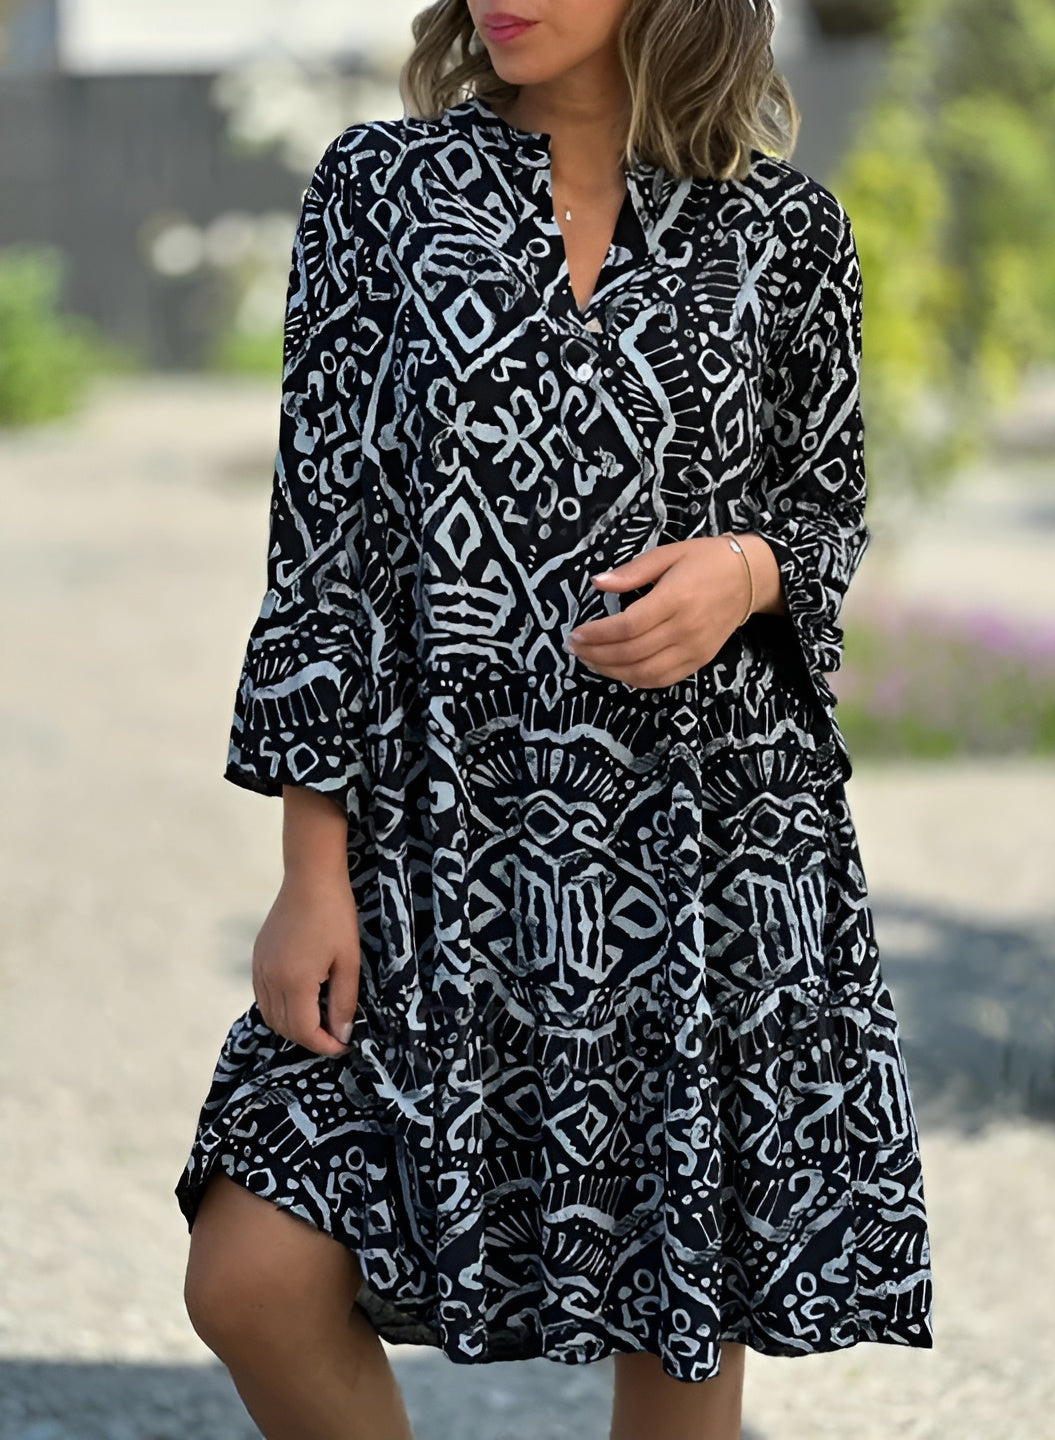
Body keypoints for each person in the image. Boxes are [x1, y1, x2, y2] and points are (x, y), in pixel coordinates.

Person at [175, 1, 934, 1436]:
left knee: (680, 1329)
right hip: (433, 845)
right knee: (252, 1276)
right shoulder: (380, 194)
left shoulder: (787, 231)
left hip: (703, 848)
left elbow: (827, 513)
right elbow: (323, 548)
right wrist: (309, 869)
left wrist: (746, 572)